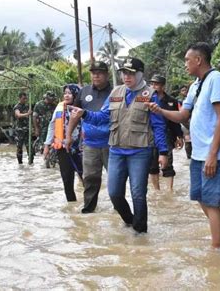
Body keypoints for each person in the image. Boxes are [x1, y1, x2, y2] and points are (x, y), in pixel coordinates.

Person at [147, 42, 220, 248]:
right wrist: (160, 111)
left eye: (187, 60)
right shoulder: (197, 84)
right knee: (200, 197)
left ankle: (216, 252)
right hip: (198, 152)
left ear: (199, 60)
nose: (185, 64)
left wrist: (213, 155)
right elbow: (182, 114)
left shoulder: (217, 80)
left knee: (212, 202)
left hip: (215, 153)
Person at [71, 58, 168, 234]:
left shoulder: (150, 94)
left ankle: (140, 232)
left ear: (140, 74)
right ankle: (130, 220)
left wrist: (163, 152)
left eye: (131, 73)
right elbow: (102, 117)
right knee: (114, 193)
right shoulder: (115, 92)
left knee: (138, 193)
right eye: (124, 73)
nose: (126, 76)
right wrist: (84, 113)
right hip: (116, 150)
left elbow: (158, 126)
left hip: (140, 151)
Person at [66, 61, 113, 213]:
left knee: (115, 178)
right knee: (90, 178)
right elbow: (75, 115)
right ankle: (89, 210)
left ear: (107, 74)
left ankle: (118, 209)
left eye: (99, 72)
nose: (96, 75)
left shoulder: (115, 93)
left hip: (112, 144)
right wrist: (68, 136)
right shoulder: (84, 92)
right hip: (90, 144)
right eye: (93, 72)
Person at [44, 84, 83, 202]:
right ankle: (72, 206)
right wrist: (47, 145)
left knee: (85, 177)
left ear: (76, 94)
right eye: (65, 93)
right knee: (67, 179)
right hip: (63, 149)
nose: (66, 95)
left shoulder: (82, 107)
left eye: (69, 93)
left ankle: (90, 205)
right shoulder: (59, 107)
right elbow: (52, 126)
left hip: (80, 148)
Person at [148, 75, 184, 191]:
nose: (154, 86)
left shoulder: (171, 101)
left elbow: (175, 121)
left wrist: (179, 136)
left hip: (167, 134)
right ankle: (156, 191)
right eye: (152, 84)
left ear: (163, 86)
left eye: (157, 84)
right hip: (150, 135)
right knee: (152, 165)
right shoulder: (146, 99)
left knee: (167, 163)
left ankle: (169, 191)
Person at [13, 92, 34, 164]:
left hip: (27, 129)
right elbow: (18, 115)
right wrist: (27, 114)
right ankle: (20, 163)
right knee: (19, 147)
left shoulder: (27, 106)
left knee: (30, 146)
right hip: (20, 130)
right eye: (23, 99)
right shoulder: (17, 107)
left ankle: (30, 162)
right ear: (19, 98)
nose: (25, 100)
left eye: (26, 99)